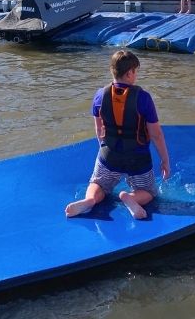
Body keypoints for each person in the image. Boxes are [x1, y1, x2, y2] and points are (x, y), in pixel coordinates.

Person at [65, 50, 171, 220]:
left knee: (98, 184)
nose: (136, 75)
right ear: (129, 73)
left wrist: (105, 150)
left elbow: (99, 131)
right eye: (135, 71)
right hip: (138, 157)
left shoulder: (100, 95)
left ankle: (90, 199)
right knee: (149, 192)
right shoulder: (143, 98)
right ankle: (131, 197)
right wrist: (165, 160)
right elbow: (156, 134)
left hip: (110, 154)